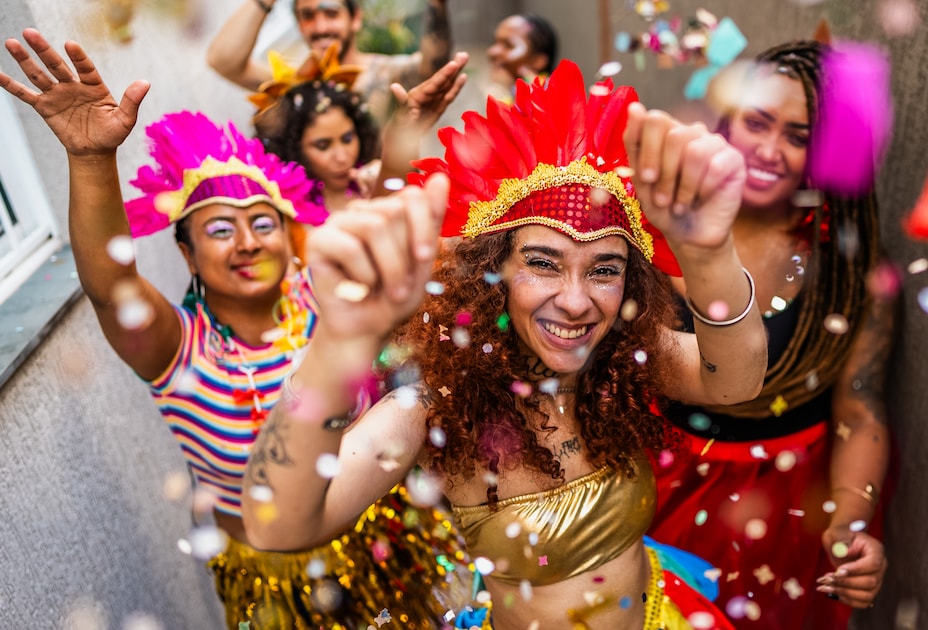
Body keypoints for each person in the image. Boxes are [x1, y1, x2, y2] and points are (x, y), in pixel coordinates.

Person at [240, 60, 769, 629]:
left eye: (604, 270)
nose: (574, 301)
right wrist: (338, 345)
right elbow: (277, 525)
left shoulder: (618, 359)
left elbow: (736, 381)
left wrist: (710, 253)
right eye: (543, 264)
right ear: (489, 273)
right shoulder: (437, 407)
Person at [0, 29, 466, 629]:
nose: (247, 243)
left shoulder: (322, 297)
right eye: (220, 230)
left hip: (386, 536)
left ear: (290, 239)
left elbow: (385, 229)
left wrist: (405, 135)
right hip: (276, 584)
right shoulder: (176, 347)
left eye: (264, 224)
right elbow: (112, 290)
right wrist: (90, 161)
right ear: (189, 256)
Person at [647, 40, 894, 629]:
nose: (768, 149)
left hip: (783, 507)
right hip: (653, 474)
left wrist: (850, 523)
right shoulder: (658, 223)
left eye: (798, 135)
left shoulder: (853, 274)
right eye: (757, 122)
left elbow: (860, 414)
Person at [250, 41, 468, 212]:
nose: (342, 156)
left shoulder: (373, 180)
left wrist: (402, 140)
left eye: (347, 139)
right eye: (323, 145)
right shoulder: (283, 206)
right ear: (295, 149)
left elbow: (405, 209)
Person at [207, 0, 452, 123]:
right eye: (308, 16)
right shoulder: (291, 82)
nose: (321, 27)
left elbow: (433, 67)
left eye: (331, 14)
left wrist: (436, 4)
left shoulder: (385, 74)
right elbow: (223, 61)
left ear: (355, 19)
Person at [485, 13, 557, 103]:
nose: (492, 51)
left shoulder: (558, 100)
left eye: (508, 45)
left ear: (538, 61)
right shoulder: (509, 97)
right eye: (495, 42)